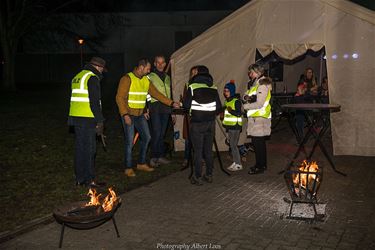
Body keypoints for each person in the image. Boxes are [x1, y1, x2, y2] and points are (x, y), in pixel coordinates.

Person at [116, 58, 179, 177]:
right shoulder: (127, 79)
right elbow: (119, 98)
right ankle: (128, 167)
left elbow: (156, 94)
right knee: (129, 142)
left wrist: (171, 103)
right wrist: (124, 114)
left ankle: (141, 163)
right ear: (141, 68)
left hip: (140, 115)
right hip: (129, 114)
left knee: (147, 137)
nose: (149, 71)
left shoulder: (146, 80)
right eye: (148, 69)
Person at [68, 56, 107, 187]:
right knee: (90, 149)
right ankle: (89, 180)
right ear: (98, 67)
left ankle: (80, 179)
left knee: (80, 149)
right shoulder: (92, 78)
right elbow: (94, 102)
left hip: (76, 117)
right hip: (88, 118)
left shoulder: (78, 76)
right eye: (102, 69)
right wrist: (100, 121)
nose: (102, 72)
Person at [183, 65, 222, 185]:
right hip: (210, 123)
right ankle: (209, 175)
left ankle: (197, 176)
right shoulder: (213, 87)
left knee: (198, 151)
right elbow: (219, 107)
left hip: (197, 123)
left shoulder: (192, 87)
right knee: (208, 151)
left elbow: (186, 105)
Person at [243, 64, 272, 175]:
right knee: (257, 144)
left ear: (257, 72)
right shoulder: (255, 83)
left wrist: (245, 106)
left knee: (259, 145)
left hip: (259, 119)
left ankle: (260, 166)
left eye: (251, 72)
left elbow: (259, 103)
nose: (250, 75)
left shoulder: (262, 84)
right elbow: (246, 95)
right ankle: (260, 165)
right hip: (256, 118)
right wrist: (247, 97)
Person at [147, 55, 175, 167]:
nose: (160, 64)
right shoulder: (149, 76)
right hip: (155, 108)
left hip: (166, 108)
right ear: (154, 64)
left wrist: (172, 111)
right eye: (158, 62)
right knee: (157, 133)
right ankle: (153, 158)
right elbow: (146, 94)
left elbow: (170, 95)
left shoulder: (167, 77)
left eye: (162, 62)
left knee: (162, 134)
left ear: (165, 64)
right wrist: (146, 108)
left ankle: (160, 156)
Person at [222, 80, 243, 171]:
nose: (225, 93)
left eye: (227, 91)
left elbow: (239, 113)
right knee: (231, 145)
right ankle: (235, 162)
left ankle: (238, 164)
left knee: (233, 145)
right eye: (224, 90)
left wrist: (231, 111)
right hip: (230, 127)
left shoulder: (236, 101)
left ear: (232, 91)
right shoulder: (227, 102)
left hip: (236, 127)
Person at [181, 65, 199, 168]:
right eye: (192, 73)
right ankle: (186, 159)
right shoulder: (188, 85)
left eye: (196, 73)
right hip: (189, 116)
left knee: (198, 139)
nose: (194, 75)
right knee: (188, 139)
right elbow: (185, 100)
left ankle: (199, 158)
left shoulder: (202, 85)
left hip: (199, 116)